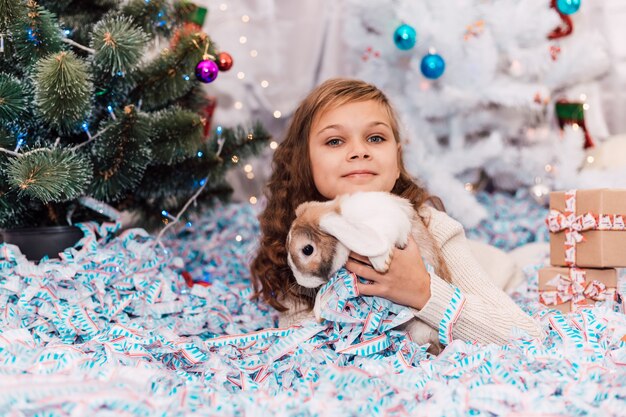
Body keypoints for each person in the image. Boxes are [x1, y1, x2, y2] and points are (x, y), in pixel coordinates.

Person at [250, 78, 544, 346]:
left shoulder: (434, 228)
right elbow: (298, 339)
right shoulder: (303, 238)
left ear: (397, 155)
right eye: (335, 141)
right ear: (305, 161)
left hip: (496, 269)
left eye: (375, 138)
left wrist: (422, 292)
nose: (359, 151)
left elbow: (525, 335)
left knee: (519, 263)